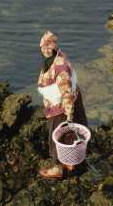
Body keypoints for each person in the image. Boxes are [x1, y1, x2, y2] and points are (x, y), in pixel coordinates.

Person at [37, 30, 88, 179]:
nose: (45, 50)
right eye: (43, 47)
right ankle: (74, 162)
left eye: (48, 47)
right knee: (74, 132)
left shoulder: (60, 67)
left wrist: (68, 112)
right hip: (69, 100)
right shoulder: (53, 59)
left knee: (58, 135)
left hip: (62, 107)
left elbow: (65, 91)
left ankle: (59, 167)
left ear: (54, 47)